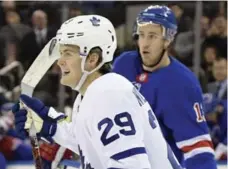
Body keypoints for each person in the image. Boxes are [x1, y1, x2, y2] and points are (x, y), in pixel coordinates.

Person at [12, 15, 182, 169]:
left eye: (68, 54)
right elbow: (89, 139)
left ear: (93, 59)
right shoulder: (93, 93)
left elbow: (130, 166)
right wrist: (49, 125)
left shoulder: (108, 94)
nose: (60, 61)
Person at [112, 5, 217, 169]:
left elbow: (199, 151)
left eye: (152, 36)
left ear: (168, 39)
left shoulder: (182, 83)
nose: (144, 44)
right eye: (141, 35)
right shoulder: (124, 65)